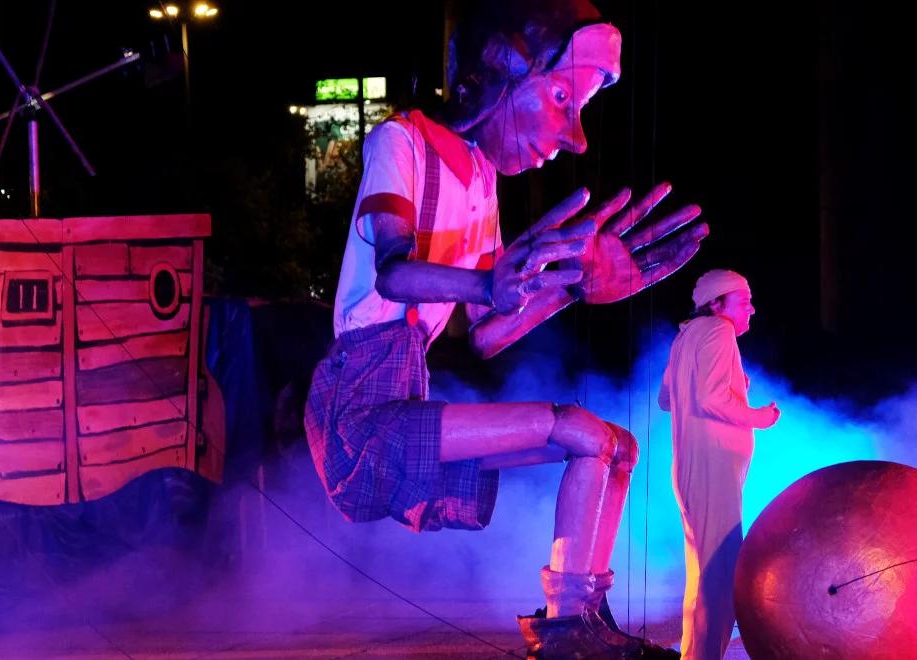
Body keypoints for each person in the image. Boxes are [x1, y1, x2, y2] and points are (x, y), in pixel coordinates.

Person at [303, 0, 708, 655]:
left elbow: (486, 332)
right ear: (494, 75)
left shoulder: (480, 177)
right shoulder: (400, 142)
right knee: (578, 430)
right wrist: (487, 283)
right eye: (561, 98)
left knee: (616, 446)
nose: (574, 136)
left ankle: (583, 617)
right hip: (360, 412)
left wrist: (572, 286)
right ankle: (565, 630)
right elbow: (394, 275)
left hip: (406, 399)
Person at [658, 269, 781, 660]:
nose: (751, 309)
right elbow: (711, 398)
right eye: (744, 301)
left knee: (703, 570)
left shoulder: (685, 338)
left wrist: (733, 385)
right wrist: (759, 416)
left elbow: (667, 399)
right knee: (721, 571)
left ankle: (694, 655)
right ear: (716, 303)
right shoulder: (718, 330)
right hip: (712, 466)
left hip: (692, 466)